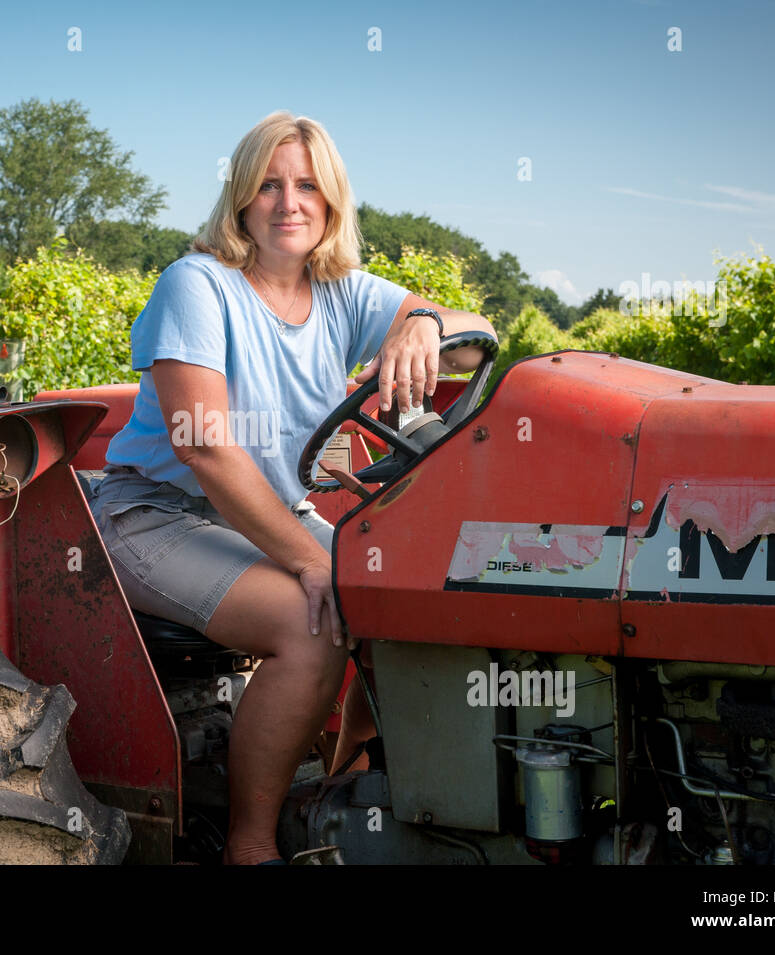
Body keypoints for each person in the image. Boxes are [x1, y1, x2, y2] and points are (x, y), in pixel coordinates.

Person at [89, 110, 497, 864]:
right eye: (269, 184)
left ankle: (340, 798)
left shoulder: (340, 293)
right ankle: (251, 844)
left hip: (266, 515)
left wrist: (425, 324)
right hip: (157, 514)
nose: (289, 202)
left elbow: (474, 341)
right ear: (241, 198)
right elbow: (205, 448)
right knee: (311, 625)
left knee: (400, 595)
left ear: (332, 201)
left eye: (308, 184)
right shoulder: (197, 285)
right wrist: (312, 562)